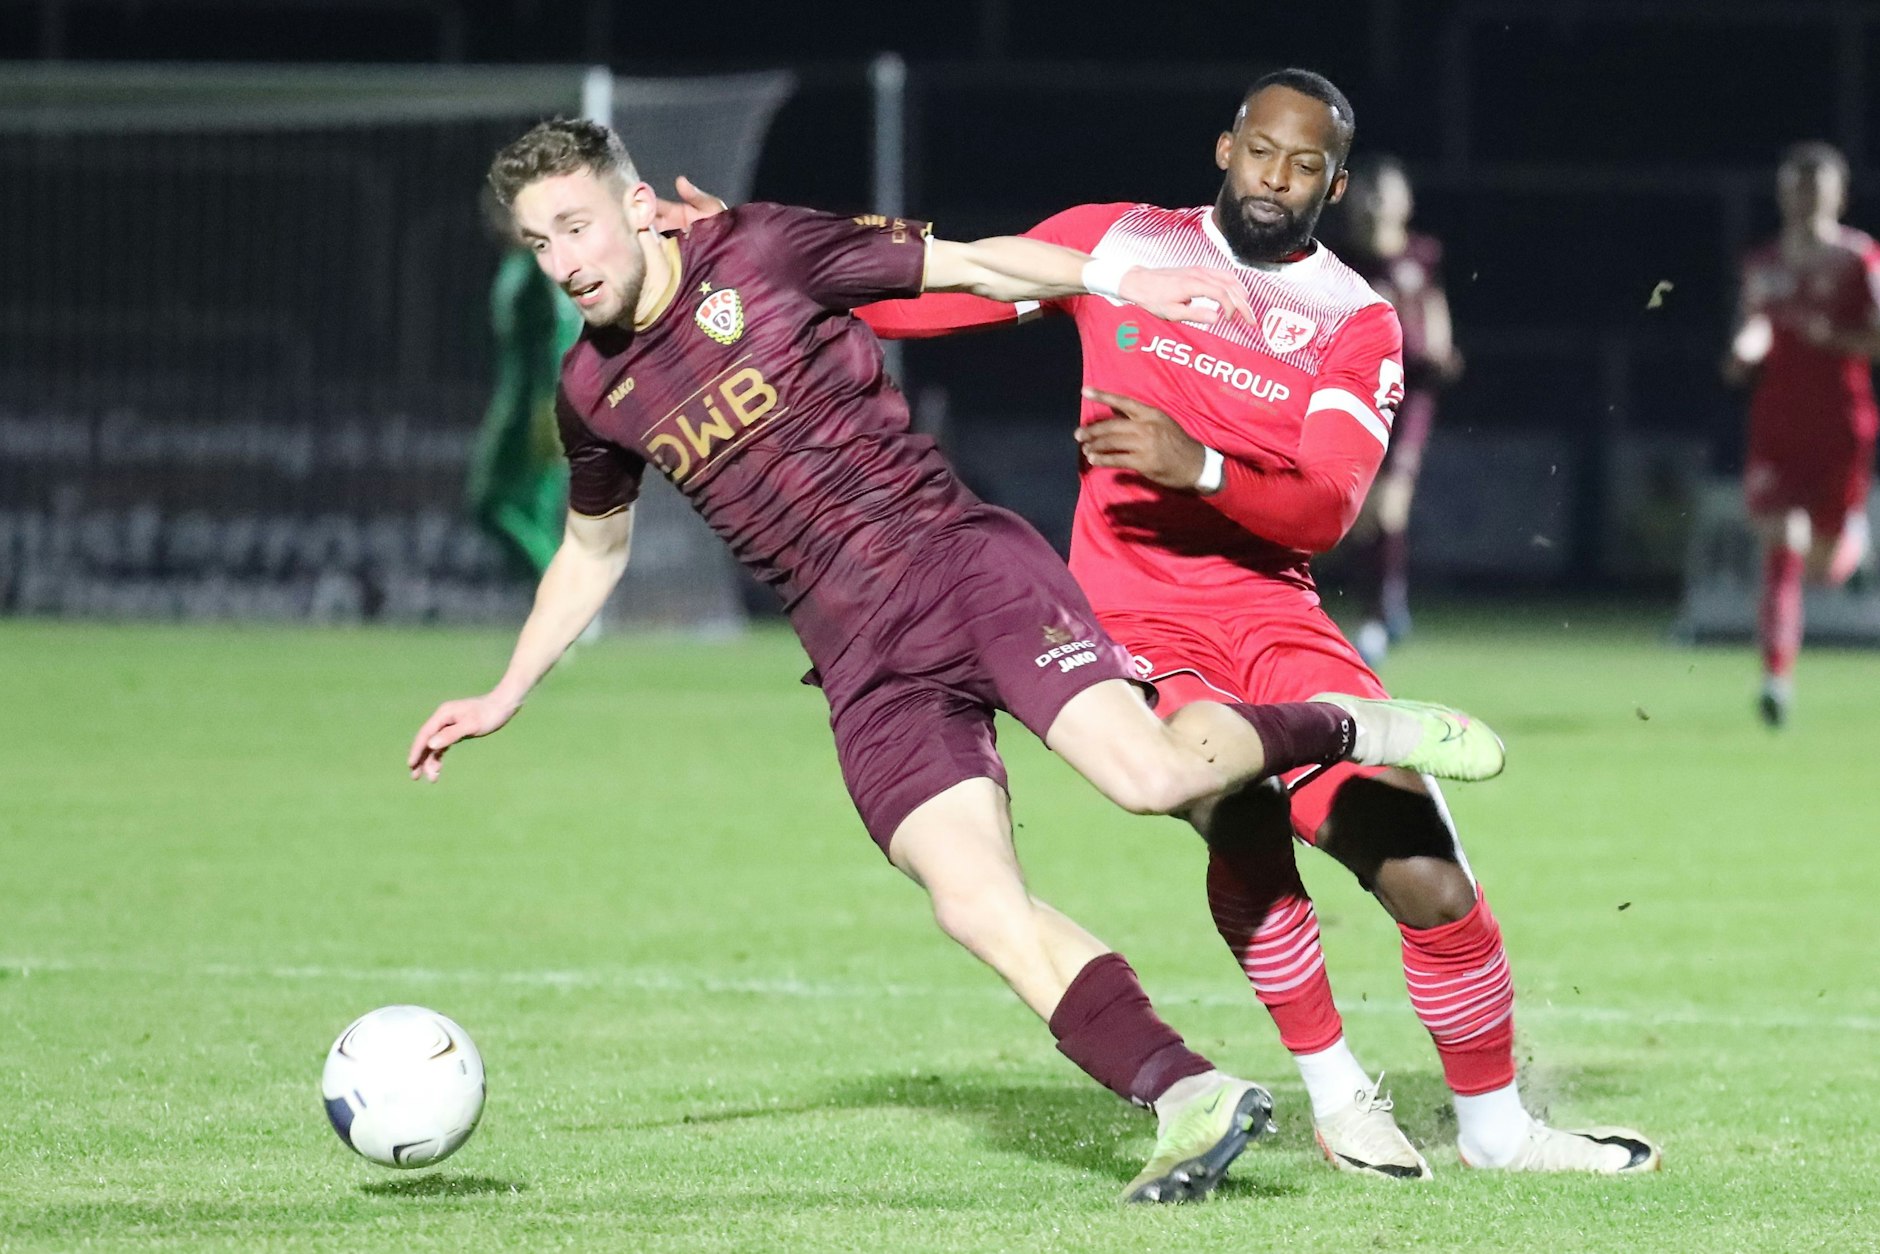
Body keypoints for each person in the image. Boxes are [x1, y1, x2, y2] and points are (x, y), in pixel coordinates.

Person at [408, 117, 1507, 1205]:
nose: (563, 263)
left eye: (575, 228)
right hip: (858, 659)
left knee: (1150, 778)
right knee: (971, 902)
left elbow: (974, 265)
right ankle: (1189, 1096)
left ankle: (1355, 726)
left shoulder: (760, 248)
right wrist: (505, 690)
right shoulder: (593, 394)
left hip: (962, 570)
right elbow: (592, 550)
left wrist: (1115, 283)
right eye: (538, 242)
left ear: (634, 207)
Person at [847, 69, 1659, 1177]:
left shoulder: (1353, 320)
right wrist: (760, 255)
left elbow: (1325, 507)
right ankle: (1336, 1095)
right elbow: (927, 294)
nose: (1277, 177)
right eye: (1262, 151)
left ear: (1332, 181)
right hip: (1134, 625)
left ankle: (1497, 1131)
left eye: (1305, 163)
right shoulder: (1121, 244)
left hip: (1274, 618)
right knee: (1237, 822)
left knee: (1424, 872)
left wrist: (1201, 465)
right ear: (1224, 147)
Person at [1723, 141, 1880, 728]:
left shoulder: (1858, 257)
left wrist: (1829, 336)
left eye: (1816, 185)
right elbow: (1755, 325)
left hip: (1841, 423)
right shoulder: (1763, 263)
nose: (1805, 196)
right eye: (1796, 185)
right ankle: (1775, 679)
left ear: (1837, 194)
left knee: (1823, 563)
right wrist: (1744, 351)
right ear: (1783, 193)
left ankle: (1848, 543)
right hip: (1778, 424)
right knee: (1782, 544)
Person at [1331, 155, 1463, 667]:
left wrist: (1443, 349)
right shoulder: (1338, 258)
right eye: (1369, 192)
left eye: (1386, 192)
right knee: (1363, 522)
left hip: (1410, 398)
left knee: (1390, 506)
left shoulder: (1422, 255)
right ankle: (1381, 603)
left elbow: (1433, 311)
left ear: (1405, 202)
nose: (1377, 203)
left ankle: (1383, 611)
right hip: (1357, 393)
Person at [467, 188, 583, 578]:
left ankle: (560, 597)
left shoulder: (539, 269)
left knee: (489, 504)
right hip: (532, 401)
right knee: (532, 512)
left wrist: (546, 407)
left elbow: (555, 339)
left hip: (531, 407)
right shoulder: (526, 263)